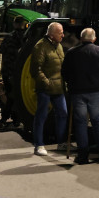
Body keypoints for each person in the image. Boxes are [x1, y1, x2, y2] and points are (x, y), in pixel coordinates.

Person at [62, 28, 99, 164]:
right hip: (97, 92)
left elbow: (64, 72)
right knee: (98, 121)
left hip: (78, 92)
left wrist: (71, 84)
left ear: (81, 38)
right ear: (94, 39)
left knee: (80, 123)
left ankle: (83, 155)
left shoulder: (72, 53)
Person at [31, 21, 68, 156]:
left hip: (59, 88)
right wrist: (46, 83)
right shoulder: (40, 46)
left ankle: (62, 142)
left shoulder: (58, 46)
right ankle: (39, 145)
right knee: (41, 116)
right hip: (45, 89)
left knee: (63, 113)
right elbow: (35, 69)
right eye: (60, 33)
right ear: (52, 35)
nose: (63, 35)